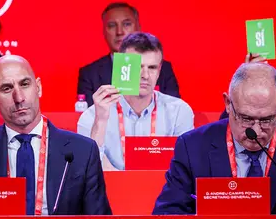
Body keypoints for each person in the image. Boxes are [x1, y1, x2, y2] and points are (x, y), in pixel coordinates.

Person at [0, 55, 112, 215]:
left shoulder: (82, 150)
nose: (19, 98)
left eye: (25, 84)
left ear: (39, 88)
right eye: (6, 88)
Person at [153, 63, 276, 215]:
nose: (256, 131)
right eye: (246, 118)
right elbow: (168, 215)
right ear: (227, 103)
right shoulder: (192, 147)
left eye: (267, 119)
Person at [77, 32, 194, 170]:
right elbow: (88, 168)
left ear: (160, 70)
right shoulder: (92, 116)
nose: (145, 76)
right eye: (138, 67)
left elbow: (182, 167)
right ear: (122, 67)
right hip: (111, 189)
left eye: (152, 68)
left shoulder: (179, 111)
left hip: (162, 189)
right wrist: (100, 122)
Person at [77, 2, 180, 106]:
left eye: (126, 24)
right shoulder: (89, 74)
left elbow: (174, 110)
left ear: (138, 27)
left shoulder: (163, 69)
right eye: (112, 25)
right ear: (104, 31)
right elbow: (87, 116)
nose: (119, 32)